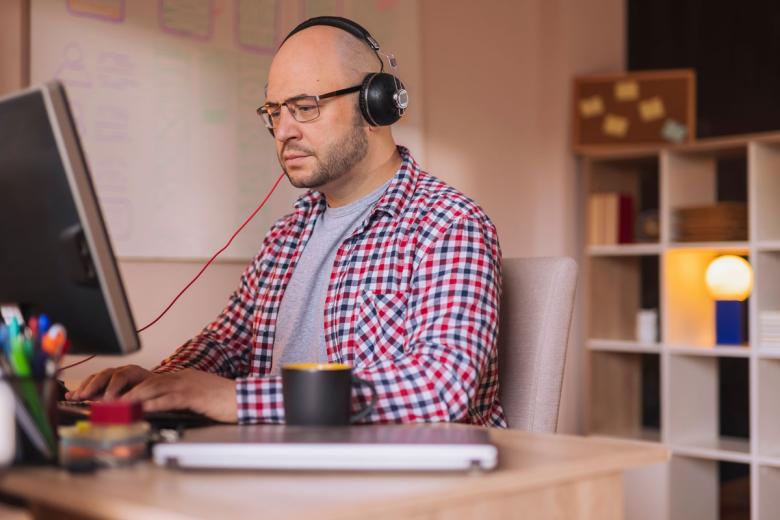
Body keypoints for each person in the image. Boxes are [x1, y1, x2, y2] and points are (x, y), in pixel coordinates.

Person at [67, 17, 506, 427]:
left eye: (304, 107)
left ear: (375, 106)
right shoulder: (285, 235)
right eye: (275, 111)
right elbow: (228, 344)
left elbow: (440, 388)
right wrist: (158, 382)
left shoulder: (449, 224)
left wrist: (236, 400)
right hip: (283, 465)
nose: (283, 132)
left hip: (406, 489)